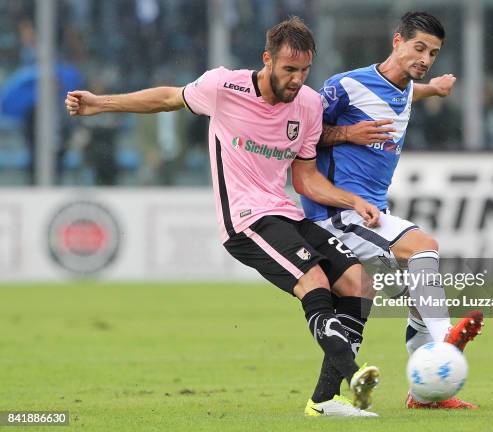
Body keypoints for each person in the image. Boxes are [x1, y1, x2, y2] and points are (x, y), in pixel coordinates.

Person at [66, 17, 380, 417]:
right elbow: (167, 98)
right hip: (245, 219)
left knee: (357, 281)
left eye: (304, 70)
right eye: (289, 70)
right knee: (314, 280)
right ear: (267, 59)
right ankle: (352, 374)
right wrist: (100, 103)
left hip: (283, 210)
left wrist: (351, 200)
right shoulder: (223, 86)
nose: (298, 79)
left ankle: (323, 401)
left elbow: (304, 178)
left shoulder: (310, 104)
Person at [300, 11, 484, 409]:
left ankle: (425, 396)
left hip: (371, 213)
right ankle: (445, 337)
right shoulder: (345, 86)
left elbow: (402, 95)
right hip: (338, 215)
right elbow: (303, 132)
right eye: (419, 48)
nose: (425, 59)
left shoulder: (405, 86)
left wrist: (432, 89)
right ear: (397, 41)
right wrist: (347, 133)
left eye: (433, 53)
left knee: (422, 290)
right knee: (423, 247)